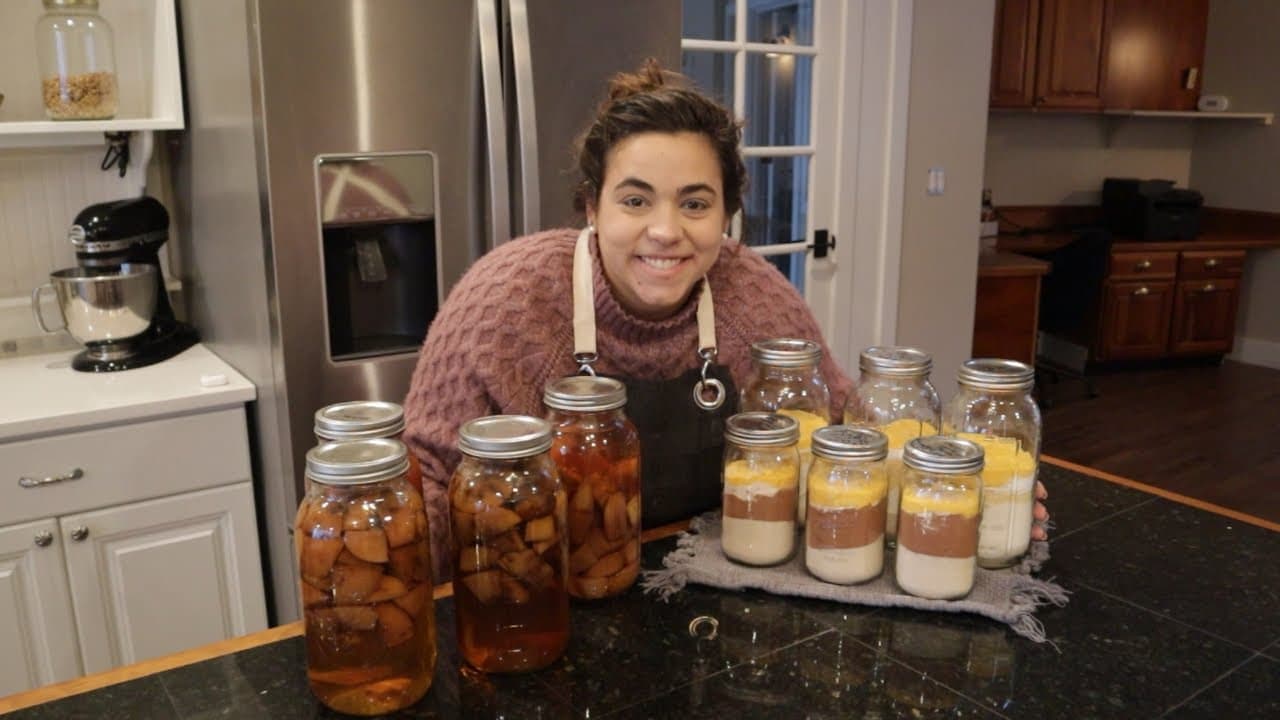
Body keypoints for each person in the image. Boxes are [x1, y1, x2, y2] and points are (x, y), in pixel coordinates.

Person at [403, 59, 1047, 582]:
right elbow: (428, 474)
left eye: (695, 203)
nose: (665, 231)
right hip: (541, 602)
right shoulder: (504, 304)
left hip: (718, 588)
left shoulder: (755, 299)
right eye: (635, 199)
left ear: (726, 216)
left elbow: (849, 433)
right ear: (591, 206)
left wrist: (971, 494)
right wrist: (373, 538)